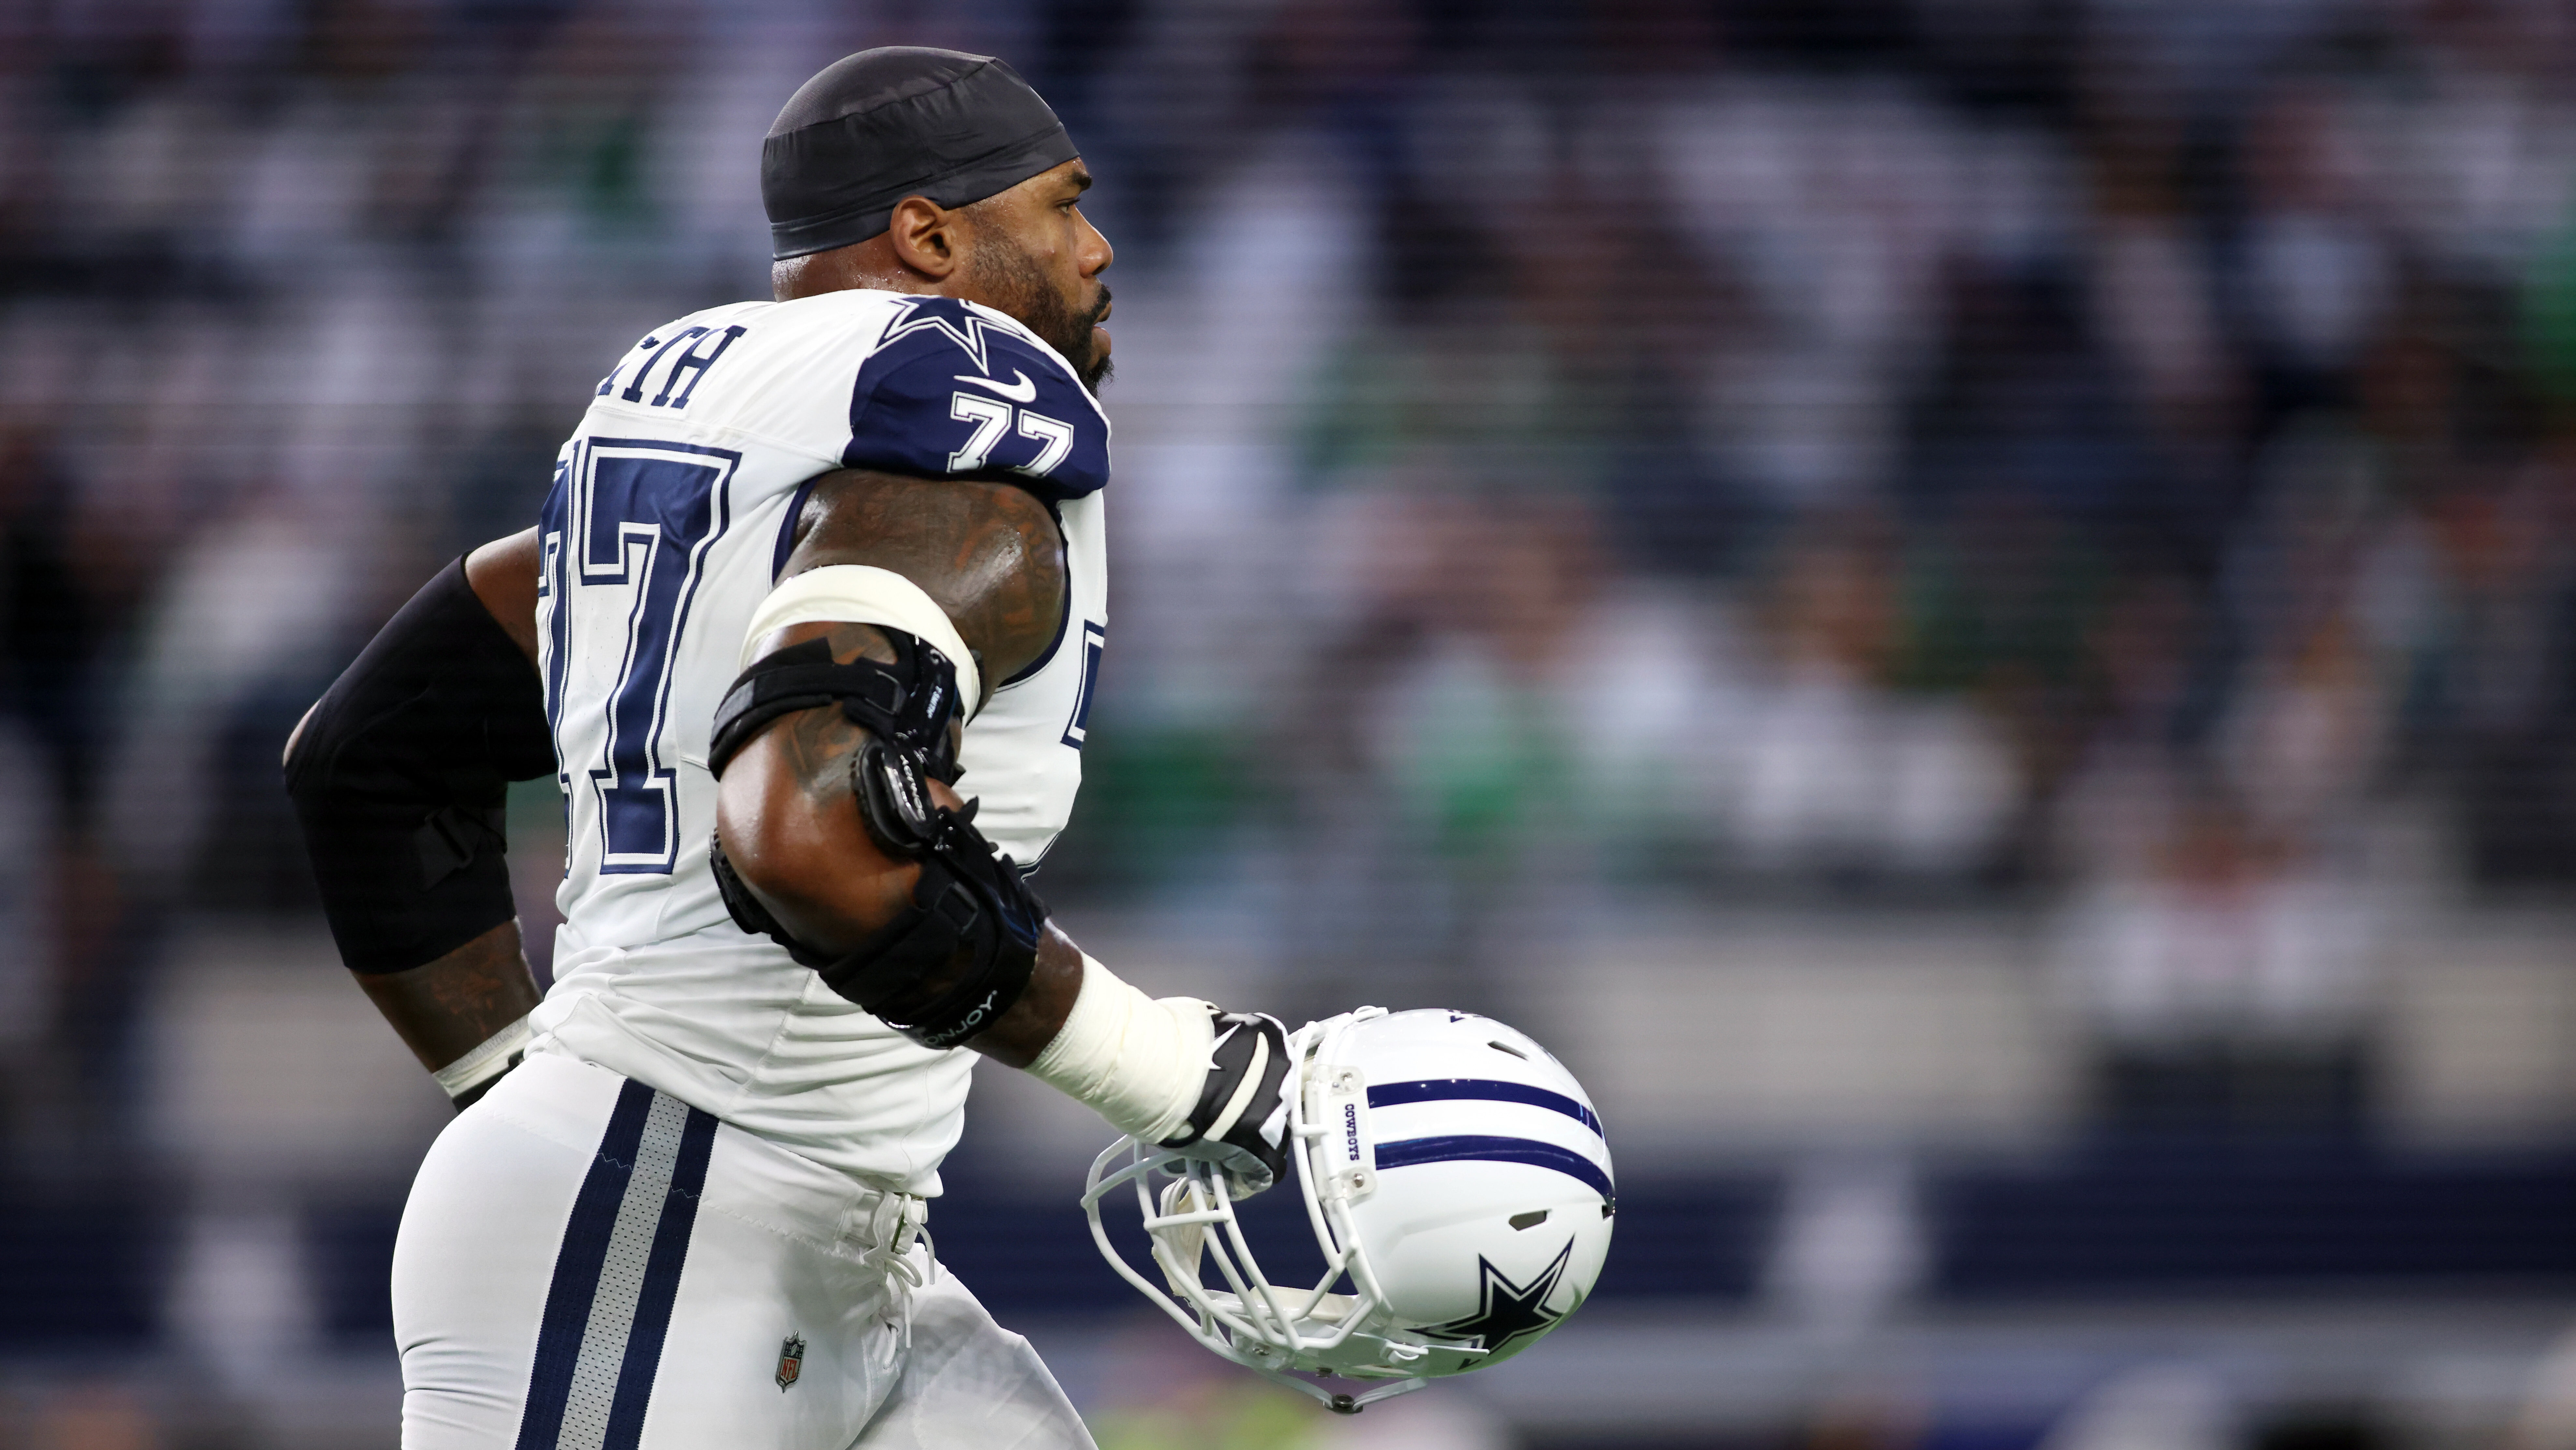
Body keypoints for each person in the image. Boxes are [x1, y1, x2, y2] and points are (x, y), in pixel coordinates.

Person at [284, 48, 1294, 1449]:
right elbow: (811, 834)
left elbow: (366, 759)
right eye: (1064, 205)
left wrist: (529, 1099)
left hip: (788, 1226)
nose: (1097, 246)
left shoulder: (692, 400)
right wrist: (1178, 1077)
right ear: (934, 236)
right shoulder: (965, 393)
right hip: (666, 1216)